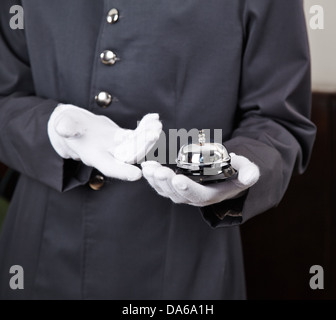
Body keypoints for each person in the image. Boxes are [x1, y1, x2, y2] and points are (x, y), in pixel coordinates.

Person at [0, 0, 316, 299]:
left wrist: (239, 165)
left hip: (185, 263)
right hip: (42, 253)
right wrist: (54, 128)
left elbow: (277, 119)